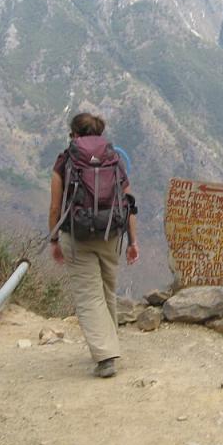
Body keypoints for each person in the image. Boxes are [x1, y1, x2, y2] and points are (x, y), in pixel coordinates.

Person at [48, 112, 139, 378]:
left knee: (89, 295)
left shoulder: (65, 161)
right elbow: (129, 203)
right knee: (107, 290)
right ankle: (109, 345)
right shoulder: (114, 160)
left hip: (77, 236)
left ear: (74, 135)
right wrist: (133, 241)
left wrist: (54, 239)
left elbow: (55, 207)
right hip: (111, 234)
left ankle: (105, 355)